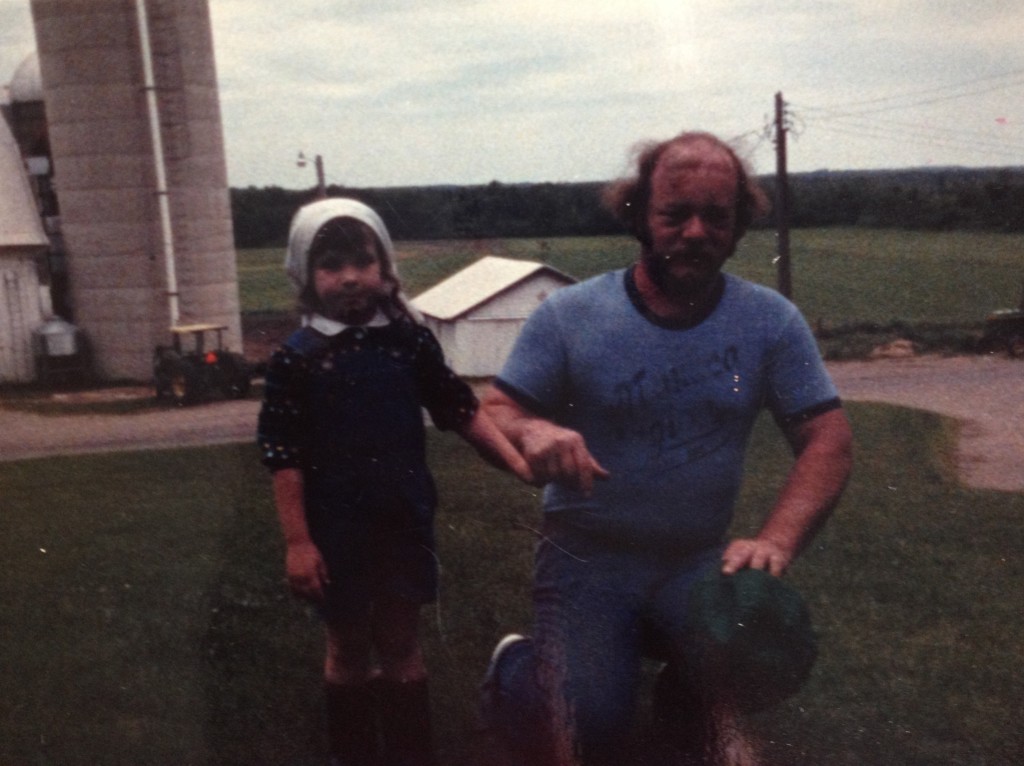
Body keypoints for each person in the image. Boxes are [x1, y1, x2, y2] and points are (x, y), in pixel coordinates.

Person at [479, 131, 853, 765]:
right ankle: (516, 665)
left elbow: (829, 440)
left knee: (765, 647)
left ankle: (690, 702)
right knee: (591, 725)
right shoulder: (571, 314)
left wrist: (776, 542)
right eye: (675, 214)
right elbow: (494, 411)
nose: (696, 231)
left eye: (717, 216)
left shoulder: (769, 320)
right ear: (639, 218)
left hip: (694, 559)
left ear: (738, 228)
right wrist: (533, 431)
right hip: (588, 557)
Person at [257, 198, 531, 766]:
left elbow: (462, 410)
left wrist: (520, 465)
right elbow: (284, 456)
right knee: (349, 648)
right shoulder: (298, 359)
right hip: (336, 533)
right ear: (306, 275)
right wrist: (298, 542)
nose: (351, 277)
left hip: (403, 523)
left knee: (404, 645)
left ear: (384, 267)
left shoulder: (408, 342)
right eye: (331, 265)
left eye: (363, 261)